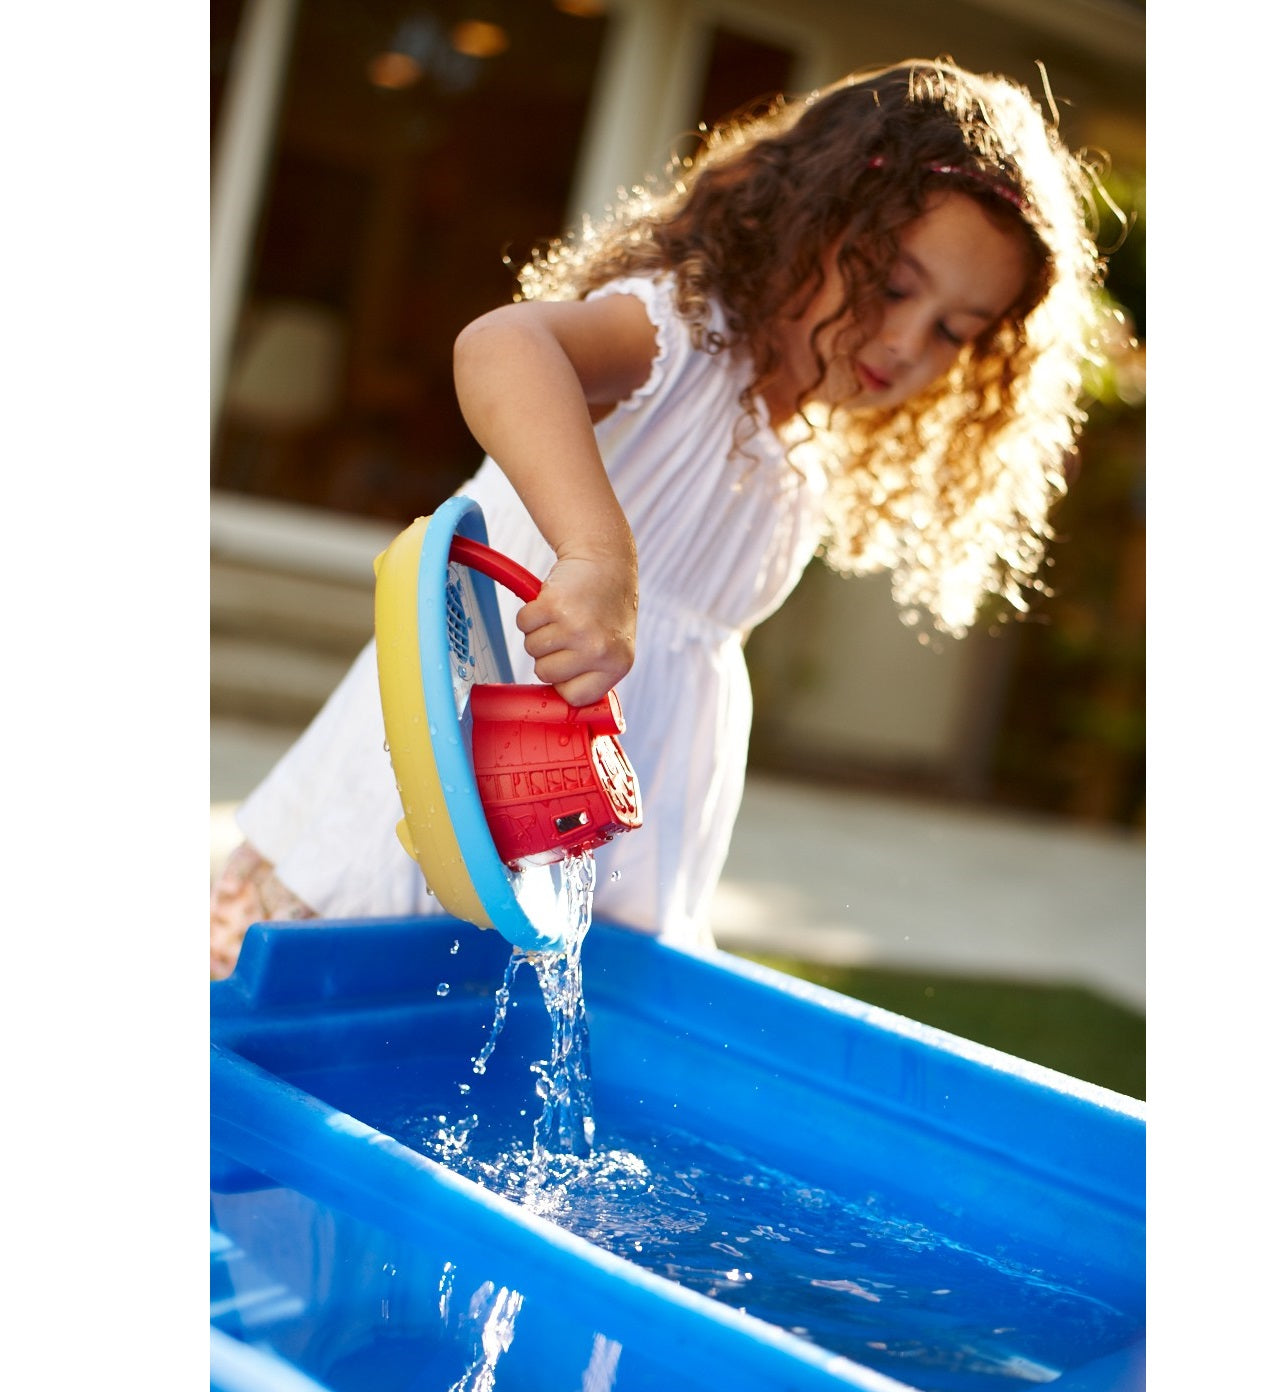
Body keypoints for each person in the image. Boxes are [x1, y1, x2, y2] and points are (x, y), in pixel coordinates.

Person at [211, 56, 1111, 979]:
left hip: (584, 858)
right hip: (437, 799)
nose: (906, 342)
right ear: (815, 220)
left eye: (956, 333)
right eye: (891, 285)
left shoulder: (795, 460)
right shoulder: (681, 341)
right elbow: (504, 345)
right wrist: (598, 552)